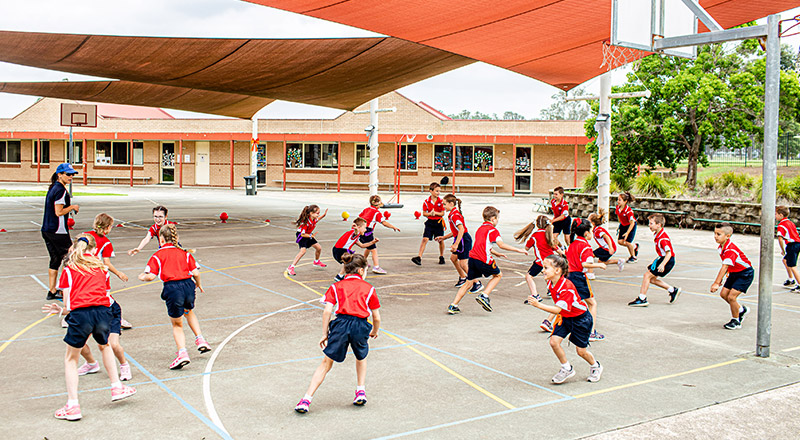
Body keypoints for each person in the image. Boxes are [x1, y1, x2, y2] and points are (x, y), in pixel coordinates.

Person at [42, 234, 136, 421]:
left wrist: (61, 311)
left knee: (71, 359)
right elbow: (105, 295)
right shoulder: (102, 268)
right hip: (102, 312)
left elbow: (69, 305)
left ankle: (73, 405)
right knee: (105, 346)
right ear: (94, 250)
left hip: (81, 315)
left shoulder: (69, 270)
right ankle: (116, 387)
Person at [294, 254, 381, 414]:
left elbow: (327, 311)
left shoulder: (335, 287)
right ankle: (360, 391)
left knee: (326, 363)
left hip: (340, 324)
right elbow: (376, 317)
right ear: (361, 271)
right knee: (361, 357)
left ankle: (306, 399)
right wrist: (374, 330)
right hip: (360, 325)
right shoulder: (369, 288)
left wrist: (324, 333)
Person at [138, 224, 210, 369]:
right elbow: (196, 273)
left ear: (161, 239)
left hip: (173, 288)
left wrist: (142, 277)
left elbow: (150, 276)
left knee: (177, 324)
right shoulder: (185, 253)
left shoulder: (158, 255)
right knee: (188, 311)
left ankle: (182, 353)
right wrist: (198, 284)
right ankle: (200, 339)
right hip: (188, 286)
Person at [527, 254, 603, 384]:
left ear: (557, 270)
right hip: (566, 317)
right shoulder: (551, 282)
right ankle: (567, 368)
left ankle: (596, 366)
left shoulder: (567, 288)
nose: (543, 270)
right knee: (554, 342)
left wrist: (538, 305)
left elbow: (557, 309)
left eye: (546, 268)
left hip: (581, 319)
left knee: (581, 351)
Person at [77, 213, 133, 380]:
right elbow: (106, 263)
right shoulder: (90, 243)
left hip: (105, 306)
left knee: (111, 344)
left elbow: (105, 267)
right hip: (92, 307)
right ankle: (91, 363)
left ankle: (124, 365)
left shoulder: (99, 270)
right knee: (77, 341)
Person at [447, 206, 528, 314]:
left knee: (468, 283)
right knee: (498, 275)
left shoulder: (480, 229)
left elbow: (483, 245)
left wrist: (496, 253)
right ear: (493, 219)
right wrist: (519, 250)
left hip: (473, 259)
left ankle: (453, 305)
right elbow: (501, 245)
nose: (498, 221)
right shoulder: (493, 230)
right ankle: (484, 295)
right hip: (483, 260)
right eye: (497, 218)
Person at [514, 215, 562, 332]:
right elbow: (557, 249)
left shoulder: (535, 236)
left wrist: (523, 250)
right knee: (550, 276)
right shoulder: (549, 235)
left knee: (529, 276)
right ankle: (550, 290)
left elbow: (527, 247)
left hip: (541, 261)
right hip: (552, 260)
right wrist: (564, 253)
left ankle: (535, 294)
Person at [41, 163, 80, 300]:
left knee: (55, 259)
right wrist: (72, 207)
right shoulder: (60, 190)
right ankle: (66, 288)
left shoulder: (53, 188)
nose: (71, 177)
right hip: (58, 231)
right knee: (72, 256)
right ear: (59, 174)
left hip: (47, 229)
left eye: (72, 174)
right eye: (68, 174)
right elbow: (59, 212)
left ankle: (52, 291)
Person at [566, 218, 606, 342]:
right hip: (579, 277)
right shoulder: (585, 246)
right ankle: (591, 332)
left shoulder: (572, 244)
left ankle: (551, 322)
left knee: (567, 302)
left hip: (568, 276)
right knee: (592, 303)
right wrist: (599, 265)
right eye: (591, 231)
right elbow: (585, 264)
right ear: (586, 233)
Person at [628, 214, 681, 307]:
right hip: (662, 258)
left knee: (647, 276)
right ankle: (672, 290)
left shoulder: (663, 239)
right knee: (651, 279)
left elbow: (668, 253)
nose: (649, 225)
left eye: (651, 223)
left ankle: (642, 298)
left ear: (658, 225)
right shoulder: (658, 234)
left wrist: (662, 264)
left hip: (667, 260)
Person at [710, 223, 753, 330]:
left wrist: (716, 282)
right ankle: (741, 310)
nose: (715, 236)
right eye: (715, 233)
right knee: (724, 294)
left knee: (731, 297)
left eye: (718, 234)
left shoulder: (730, 250)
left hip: (745, 274)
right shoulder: (721, 247)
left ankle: (736, 320)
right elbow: (728, 265)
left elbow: (724, 266)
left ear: (728, 236)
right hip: (734, 272)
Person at [435, 194, 472, 287]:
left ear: (451, 204)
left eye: (444, 204)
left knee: (463, 264)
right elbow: (455, 231)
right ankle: (463, 277)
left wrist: (456, 244)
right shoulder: (452, 214)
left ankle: (476, 282)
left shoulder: (455, 215)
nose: (443, 206)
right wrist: (444, 237)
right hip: (460, 238)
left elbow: (461, 229)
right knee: (453, 258)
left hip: (463, 239)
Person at [357, 195, 400, 274]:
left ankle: (362, 263)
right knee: (374, 250)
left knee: (368, 247)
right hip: (367, 231)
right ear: (378, 203)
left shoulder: (366, 209)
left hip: (360, 230)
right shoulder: (377, 213)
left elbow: (359, 218)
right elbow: (384, 223)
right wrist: (393, 227)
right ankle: (376, 267)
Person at [287, 205, 328, 276]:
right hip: (302, 236)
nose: (319, 215)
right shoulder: (305, 223)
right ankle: (291, 267)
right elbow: (302, 234)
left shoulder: (314, 219)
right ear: (311, 213)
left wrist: (324, 215)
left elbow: (318, 219)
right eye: (317, 213)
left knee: (318, 248)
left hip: (308, 235)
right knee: (303, 251)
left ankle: (316, 261)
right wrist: (310, 236)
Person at [333, 218, 378, 282]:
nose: (365, 230)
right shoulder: (353, 233)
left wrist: (373, 242)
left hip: (338, 250)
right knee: (354, 261)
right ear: (359, 227)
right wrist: (356, 228)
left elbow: (362, 245)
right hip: (340, 251)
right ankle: (345, 276)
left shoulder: (355, 236)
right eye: (364, 227)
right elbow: (355, 232)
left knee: (348, 261)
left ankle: (340, 276)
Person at [412, 183, 446, 266]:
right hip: (430, 222)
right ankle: (419, 257)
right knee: (425, 239)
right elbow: (424, 213)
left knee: (440, 240)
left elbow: (442, 213)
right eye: (436, 191)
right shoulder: (426, 202)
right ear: (431, 191)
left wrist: (436, 213)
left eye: (439, 191)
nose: (438, 193)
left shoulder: (441, 201)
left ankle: (441, 256)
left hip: (438, 222)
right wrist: (430, 214)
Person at [588, 211, 625, 277]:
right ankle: (619, 261)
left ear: (592, 223)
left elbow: (607, 237)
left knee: (589, 255)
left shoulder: (598, 231)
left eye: (588, 220)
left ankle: (590, 273)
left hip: (607, 248)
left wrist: (610, 247)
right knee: (601, 262)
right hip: (606, 247)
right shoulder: (596, 229)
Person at [776, 206, 800, 292]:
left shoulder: (781, 225)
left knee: (793, 266)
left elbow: (780, 238)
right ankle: (791, 279)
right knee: (785, 260)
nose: (775, 216)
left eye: (776, 214)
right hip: (797, 244)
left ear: (781, 215)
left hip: (792, 245)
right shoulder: (790, 222)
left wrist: (782, 250)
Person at [616, 192, 639, 263]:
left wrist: (627, 233)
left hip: (630, 226)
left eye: (620, 200)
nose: (618, 201)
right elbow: (619, 217)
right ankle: (634, 246)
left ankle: (633, 257)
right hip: (623, 225)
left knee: (628, 242)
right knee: (620, 241)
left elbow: (632, 223)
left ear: (625, 201)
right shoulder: (617, 208)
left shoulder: (629, 211)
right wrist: (619, 226)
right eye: (618, 199)